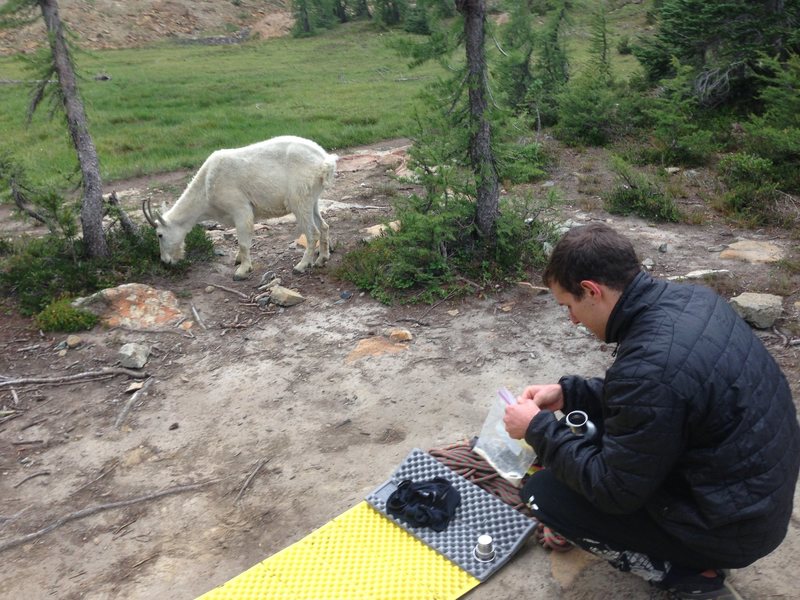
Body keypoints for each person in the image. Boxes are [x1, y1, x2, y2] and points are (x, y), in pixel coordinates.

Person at [503, 223, 800, 600]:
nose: (573, 320)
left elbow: (614, 492)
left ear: (592, 291)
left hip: (730, 529)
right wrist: (569, 395)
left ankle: (690, 575)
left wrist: (539, 429)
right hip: (753, 500)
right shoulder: (691, 300)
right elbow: (658, 401)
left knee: (545, 494)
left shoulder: (649, 367)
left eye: (570, 306)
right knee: (594, 429)